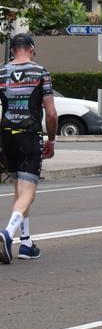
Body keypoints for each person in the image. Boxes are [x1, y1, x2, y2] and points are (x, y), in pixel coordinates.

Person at [0, 33, 56, 261]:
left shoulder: (1, 72)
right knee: (29, 191)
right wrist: (51, 139)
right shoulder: (40, 71)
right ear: (31, 49)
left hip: (6, 135)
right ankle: (6, 233)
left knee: (20, 188)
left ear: (13, 49)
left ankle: (26, 243)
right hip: (29, 134)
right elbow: (51, 113)